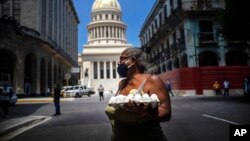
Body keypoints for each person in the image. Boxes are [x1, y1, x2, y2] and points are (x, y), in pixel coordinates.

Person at [106, 48, 171, 141]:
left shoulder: (152, 80)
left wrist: (145, 112)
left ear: (132, 61)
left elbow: (166, 113)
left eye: (122, 59)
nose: (118, 63)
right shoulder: (122, 83)